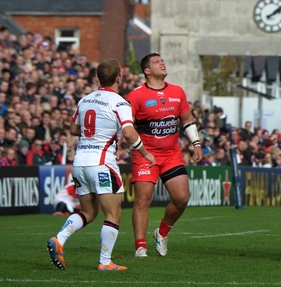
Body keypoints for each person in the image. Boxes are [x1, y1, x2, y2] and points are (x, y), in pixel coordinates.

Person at [47, 59, 156, 271]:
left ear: (98, 78)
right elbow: (128, 132)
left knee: (89, 212)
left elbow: (72, 130)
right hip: (102, 163)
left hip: (80, 163)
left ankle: (59, 238)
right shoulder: (120, 102)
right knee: (113, 213)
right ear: (118, 78)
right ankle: (105, 261)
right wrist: (145, 153)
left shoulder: (84, 100)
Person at [127, 53, 202, 257]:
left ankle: (161, 233)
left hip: (171, 154)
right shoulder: (136, 95)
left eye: (162, 60)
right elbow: (126, 126)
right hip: (145, 155)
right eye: (156, 61)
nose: (162, 62)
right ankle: (140, 246)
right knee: (143, 200)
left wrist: (195, 143)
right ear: (147, 71)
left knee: (182, 198)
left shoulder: (177, 91)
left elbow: (187, 119)